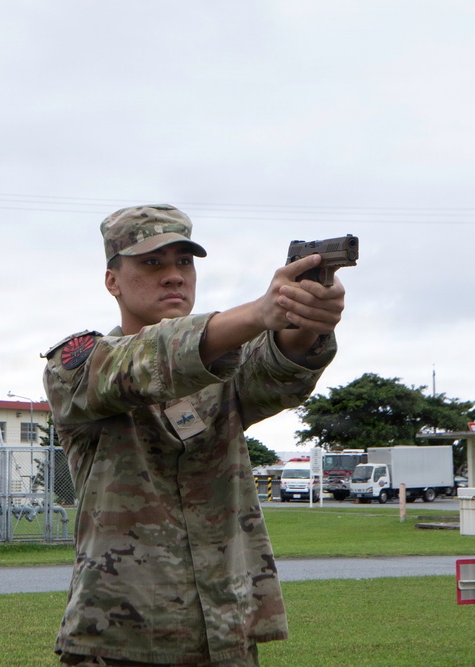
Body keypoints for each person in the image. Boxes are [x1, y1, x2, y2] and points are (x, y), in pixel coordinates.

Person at [42, 204, 346, 666]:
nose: (174, 276)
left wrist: (305, 319)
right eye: (152, 263)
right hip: (118, 643)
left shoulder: (223, 367)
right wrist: (261, 312)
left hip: (225, 637)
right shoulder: (78, 365)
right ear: (112, 281)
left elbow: (275, 369)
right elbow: (147, 358)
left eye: (184, 261)